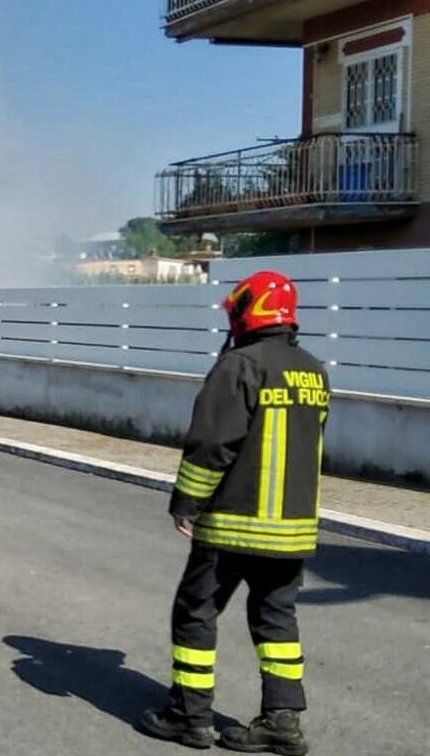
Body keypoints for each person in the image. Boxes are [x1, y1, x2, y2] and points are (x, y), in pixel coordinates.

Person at [139, 271, 329, 755]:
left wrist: (186, 501)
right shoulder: (314, 370)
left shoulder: (238, 366)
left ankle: (189, 717)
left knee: (196, 612)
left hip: (231, 524)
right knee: (276, 620)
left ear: (250, 312)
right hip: (291, 531)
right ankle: (282, 721)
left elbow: (210, 445)